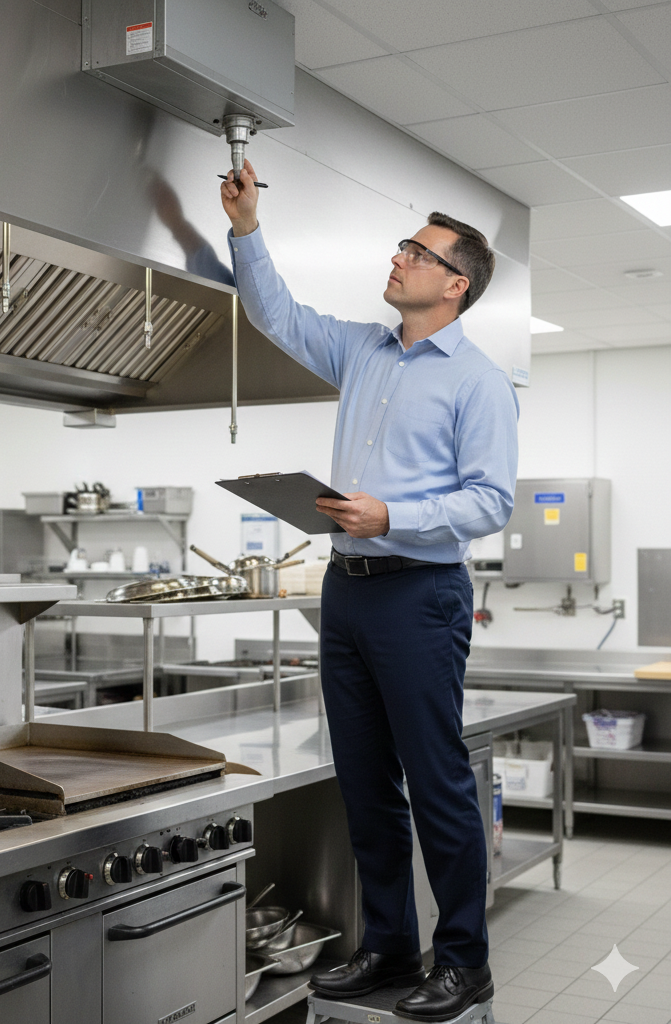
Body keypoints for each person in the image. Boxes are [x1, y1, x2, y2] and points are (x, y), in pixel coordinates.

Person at [221, 160, 518, 1022]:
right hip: (346, 592)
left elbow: (490, 501)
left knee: (436, 785)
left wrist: (394, 513)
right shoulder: (362, 348)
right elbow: (275, 314)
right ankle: (389, 947)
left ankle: (463, 959)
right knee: (364, 782)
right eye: (400, 246)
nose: (398, 259)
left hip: (420, 596)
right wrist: (246, 228)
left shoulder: (478, 381)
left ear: (455, 284)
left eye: (416, 252)